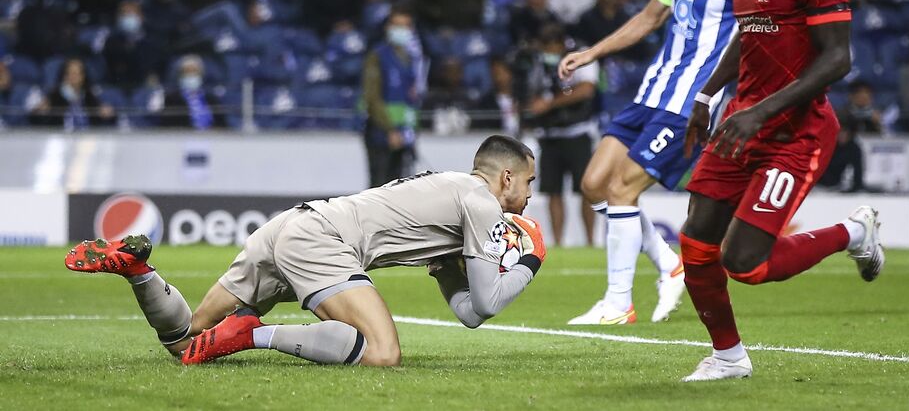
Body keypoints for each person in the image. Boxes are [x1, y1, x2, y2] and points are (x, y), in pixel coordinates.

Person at [64, 135, 547, 368]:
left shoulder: (450, 188)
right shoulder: (483, 202)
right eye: (528, 182)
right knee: (381, 353)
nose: (527, 196)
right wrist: (532, 257)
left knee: (186, 339)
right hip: (323, 242)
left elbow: (464, 311)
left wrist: (445, 270)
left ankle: (140, 271)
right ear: (506, 177)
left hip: (292, 225)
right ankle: (250, 334)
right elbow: (485, 305)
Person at [679, 0, 884, 382]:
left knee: (744, 264)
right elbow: (750, 34)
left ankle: (852, 233)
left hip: (795, 133)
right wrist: (706, 95)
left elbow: (838, 59)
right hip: (741, 124)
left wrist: (761, 112)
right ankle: (728, 356)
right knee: (696, 241)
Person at [558, 0, 740, 326]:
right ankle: (668, 263)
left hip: (689, 104)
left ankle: (619, 302)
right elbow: (649, 17)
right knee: (594, 182)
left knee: (622, 189)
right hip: (651, 93)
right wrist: (592, 52)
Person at [525, 24, 598, 246]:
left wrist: (549, 104)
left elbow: (586, 89)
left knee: (585, 189)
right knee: (552, 191)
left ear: (560, 44)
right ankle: (557, 242)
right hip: (550, 135)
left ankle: (590, 241)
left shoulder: (581, 57)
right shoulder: (537, 62)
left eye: (551, 47)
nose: (548, 52)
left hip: (577, 133)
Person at [362, 7, 422, 187]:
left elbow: (409, 99)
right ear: (388, 28)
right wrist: (390, 130)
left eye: (406, 26)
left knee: (399, 188)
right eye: (397, 25)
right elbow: (372, 97)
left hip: (403, 133)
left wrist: (409, 130)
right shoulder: (377, 56)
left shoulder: (411, 58)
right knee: (379, 187)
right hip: (381, 132)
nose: (401, 30)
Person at [36, 57, 116, 129]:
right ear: (64, 76)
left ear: (83, 76)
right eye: (70, 73)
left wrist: (107, 114)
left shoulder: (90, 96)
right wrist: (40, 113)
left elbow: (100, 120)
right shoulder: (54, 96)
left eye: (78, 73)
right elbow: (39, 120)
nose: (74, 77)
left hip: (87, 141)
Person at [160, 54, 226, 129]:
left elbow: (222, 124)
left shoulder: (211, 99)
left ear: (201, 74)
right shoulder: (171, 99)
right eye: (187, 71)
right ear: (180, 75)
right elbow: (168, 125)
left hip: (212, 138)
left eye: (194, 71)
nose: (191, 75)